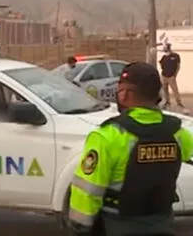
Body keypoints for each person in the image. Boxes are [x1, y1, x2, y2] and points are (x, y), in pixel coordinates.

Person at [68, 62, 193, 236]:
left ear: (125, 94)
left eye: (120, 90)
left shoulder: (108, 136)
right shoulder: (179, 133)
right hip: (163, 224)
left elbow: (88, 191)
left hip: (117, 225)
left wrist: (79, 228)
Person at [159, 43, 185, 111]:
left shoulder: (175, 56)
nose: (164, 49)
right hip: (163, 76)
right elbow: (161, 65)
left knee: (175, 90)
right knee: (165, 90)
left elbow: (178, 66)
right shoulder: (164, 57)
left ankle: (179, 103)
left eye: (165, 48)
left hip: (171, 77)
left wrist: (174, 75)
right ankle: (167, 102)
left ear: (169, 48)